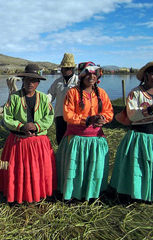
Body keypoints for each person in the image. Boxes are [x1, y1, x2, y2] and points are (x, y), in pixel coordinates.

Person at [110, 61, 153, 202]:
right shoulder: (135, 93)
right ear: (146, 76)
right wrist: (150, 109)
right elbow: (131, 115)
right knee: (139, 167)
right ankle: (136, 193)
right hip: (141, 136)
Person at [0, 63, 57, 204]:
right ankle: (18, 194)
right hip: (19, 141)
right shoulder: (14, 98)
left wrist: (36, 126)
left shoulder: (43, 99)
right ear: (23, 81)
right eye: (27, 80)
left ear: (37, 83)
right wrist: (21, 126)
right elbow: (7, 117)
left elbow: (49, 117)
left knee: (37, 170)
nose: (30, 83)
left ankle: (36, 193)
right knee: (19, 170)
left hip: (38, 142)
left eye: (33, 80)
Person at [55, 62, 113, 201]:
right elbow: (68, 115)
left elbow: (109, 111)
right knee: (75, 169)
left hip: (96, 140)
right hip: (76, 139)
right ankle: (72, 194)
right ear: (81, 76)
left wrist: (102, 118)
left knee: (94, 168)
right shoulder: (72, 93)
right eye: (88, 74)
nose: (91, 77)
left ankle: (92, 193)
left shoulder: (101, 93)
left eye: (94, 74)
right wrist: (87, 120)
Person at [47, 53, 79, 144]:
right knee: (60, 139)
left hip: (74, 116)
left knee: (72, 139)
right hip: (59, 115)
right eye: (62, 68)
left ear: (72, 69)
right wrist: (42, 101)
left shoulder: (78, 81)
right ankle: (61, 156)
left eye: (65, 68)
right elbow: (50, 94)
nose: (63, 70)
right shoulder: (58, 82)